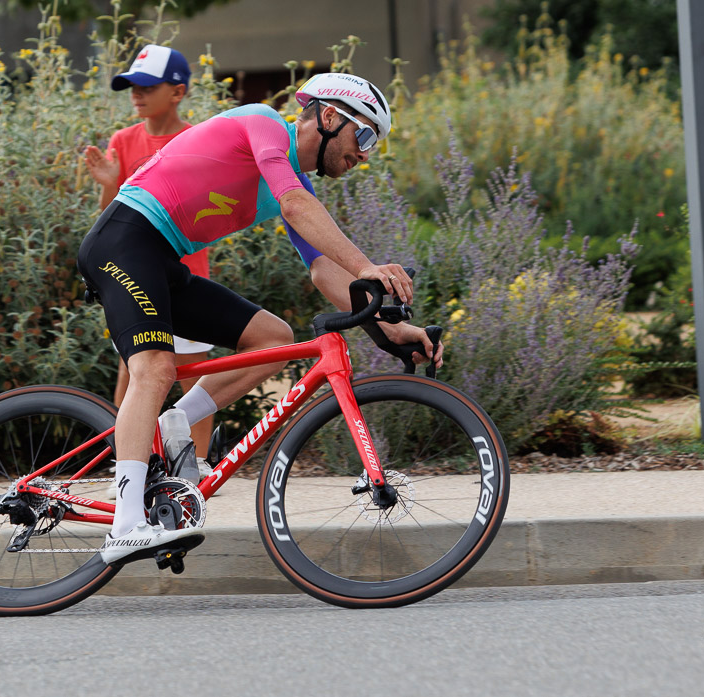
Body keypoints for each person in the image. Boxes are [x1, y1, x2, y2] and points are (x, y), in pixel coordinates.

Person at [78, 72, 443, 563]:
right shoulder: (263, 123)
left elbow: (322, 271)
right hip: (123, 241)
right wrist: (369, 267)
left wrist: (390, 329)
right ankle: (125, 525)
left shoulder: (292, 181)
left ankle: (170, 427)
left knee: (274, 338)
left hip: (161, 260)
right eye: (365, 135)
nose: (365, 154)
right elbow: (296, 207)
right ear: (330, 116)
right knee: (156, 369)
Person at [82, 44, 216, 484]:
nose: (136, 94)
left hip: (187, 275)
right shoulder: (123, 141)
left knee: (194, 378)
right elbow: (112, 216)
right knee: (134, 372)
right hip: (138, 276)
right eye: (131, 86)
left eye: (147, 86)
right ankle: (129, 464)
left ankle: (192, 470)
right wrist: (107, 183)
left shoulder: (198, 139)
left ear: (178, 92)